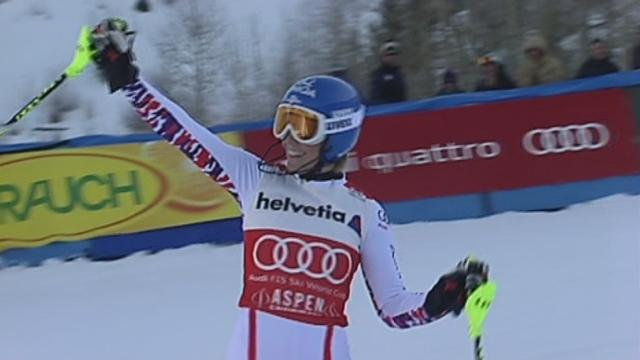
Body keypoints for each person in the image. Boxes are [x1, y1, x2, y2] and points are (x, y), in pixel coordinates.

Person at [88, 18, 490, 360]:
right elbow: (184, 133)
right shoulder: (256, 180)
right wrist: (130, 82)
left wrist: (442, 297)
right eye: (284, 121)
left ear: (337, 135)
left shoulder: (365, 214)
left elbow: (394, 310)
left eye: (303, 126)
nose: (286, 137)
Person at [368, 40, 407, 104]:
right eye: (389, 54)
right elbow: (375, 100)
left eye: (395, 54)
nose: (393, 57)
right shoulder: (378, 75)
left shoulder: (399, 74)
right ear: (383, 57)